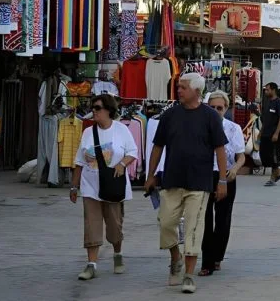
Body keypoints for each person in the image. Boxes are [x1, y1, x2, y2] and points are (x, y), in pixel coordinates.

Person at [143, 73, 228, 294]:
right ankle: (175, 257)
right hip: (171, 180)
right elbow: (158, 147)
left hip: (200, 183)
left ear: (196, 91)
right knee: (166, 223)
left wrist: (222, 180)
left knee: (193, 229)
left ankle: (189, 275)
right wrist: (150, 175)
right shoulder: (170, 115)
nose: (178, 90)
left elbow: (220, 149)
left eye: (183, 87)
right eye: (178, 87)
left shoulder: (210, 116)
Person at [71, 95, 138, 281]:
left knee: (114, 226)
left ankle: (118, 254)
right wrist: (74, 186)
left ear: (108, 110)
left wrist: (122, 164)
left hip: (113, 185)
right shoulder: (87, 132)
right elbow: (79, 160)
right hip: (90, 185)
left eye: (98, 108)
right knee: (91, 224)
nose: (94, 111)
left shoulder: (121, 130)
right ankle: (91, 264)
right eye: (93, 108)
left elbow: (133, 152)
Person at [199, 91, 246, 277]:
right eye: (212, 107)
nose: (216, 111)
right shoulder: (200, 127)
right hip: (203, 176)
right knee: (204, 218)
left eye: (220, 108)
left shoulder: (233, 128)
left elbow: (241, 156)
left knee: (223, 218)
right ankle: (206, 261)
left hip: (226, 175)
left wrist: (234, 169)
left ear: (226, 109)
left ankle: (217, 256)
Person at [261, 82, 280, 186]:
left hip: (274, 134)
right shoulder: (267, 102)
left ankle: (274, 176)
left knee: (274, 155)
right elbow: (265, 119)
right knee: (265, 155)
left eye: (267, 89)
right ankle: (278, 172)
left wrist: (276, 133)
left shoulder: (279, 103)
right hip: (265, 133)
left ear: (273, 90)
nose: (266, 91)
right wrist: (261, 131)